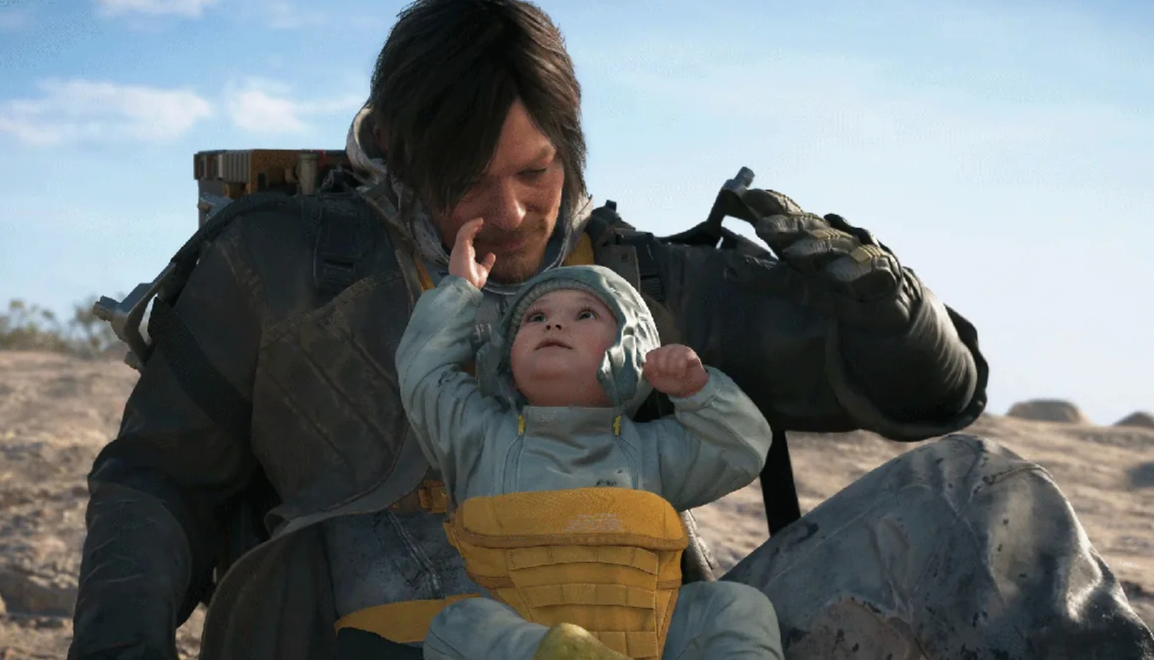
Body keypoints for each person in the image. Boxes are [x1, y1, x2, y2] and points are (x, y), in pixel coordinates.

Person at [67, 1, 1154, 659]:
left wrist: (890, 309)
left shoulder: (636, 281)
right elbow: (158, 480)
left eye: (535, 171)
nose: (510, 213)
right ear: (394, 150)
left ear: (571, 145)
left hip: (640, 635)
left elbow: (934, 399)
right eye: (468, 180)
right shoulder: (278, 268)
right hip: (393, 640)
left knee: (977, 491)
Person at [397, 217, 783, 660]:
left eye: (584, 315)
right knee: (460, 624)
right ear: (507, 358)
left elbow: (742, 449)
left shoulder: (653, 451)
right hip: (527, 643)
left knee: (737, 606)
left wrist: (699, 393)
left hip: (652, 636)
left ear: (632, 348)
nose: (553, 325)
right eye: (535, 317)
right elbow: (424, 372)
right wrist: (460, 290)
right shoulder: (478, 436)